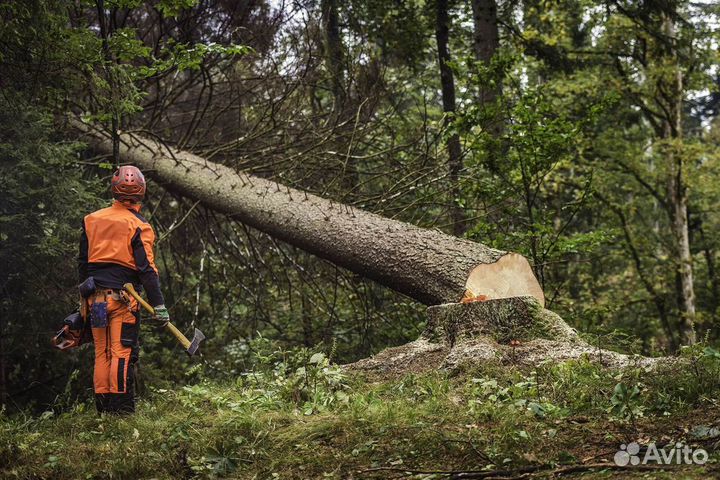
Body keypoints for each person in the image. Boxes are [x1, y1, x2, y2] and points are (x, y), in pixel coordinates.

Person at [78, 165, 169, 414]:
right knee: (121, 353)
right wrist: (159, 304)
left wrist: (83, 300)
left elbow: (82, 264)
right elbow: (147, 270)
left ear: (114, 190)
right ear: (141, 193)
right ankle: (121, 412)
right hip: (122, 300)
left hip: (95, 299)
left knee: (101, 353)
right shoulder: (139, 225)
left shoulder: (91, 220)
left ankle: (102, 411)